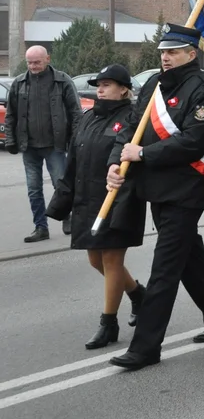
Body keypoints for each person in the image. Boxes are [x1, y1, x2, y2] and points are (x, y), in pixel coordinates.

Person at [107, 24, 204, 371]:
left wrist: (144, 156)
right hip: (155, 188)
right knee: (188, 255)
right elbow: (131, 129)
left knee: (164, 268)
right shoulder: (153, 85)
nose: (165, 57)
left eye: (173, 52)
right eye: (163, 52)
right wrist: (116, 163)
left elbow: (193, 142)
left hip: (187, 188)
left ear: (191, 54)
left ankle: (146, 347)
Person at [46, 64, 146, 350]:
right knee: (95, 260)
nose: (100, 89)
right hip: (87, 201)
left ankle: (108, 323)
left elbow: (128, 157)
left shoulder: (131, 118)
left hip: (118, 200)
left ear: (123, 89)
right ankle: (138, 293)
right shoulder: (88, 118)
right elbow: (72, 164)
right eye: (98, 84)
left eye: (107, 84)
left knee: (112, 260)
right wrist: (60, 203)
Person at [6, 45, 83, 242]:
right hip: (29, 147)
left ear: (47, 59)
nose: (33, 66)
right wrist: (11, 140)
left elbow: (75, 112)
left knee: (61, 184)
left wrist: (76, 141)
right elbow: (11, 115)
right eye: (30, 62)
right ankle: (40, 227)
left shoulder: (62, 81)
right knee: (33, 189)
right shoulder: (19, 83)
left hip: (55, 146)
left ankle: (67, 217)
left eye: (37, 62)